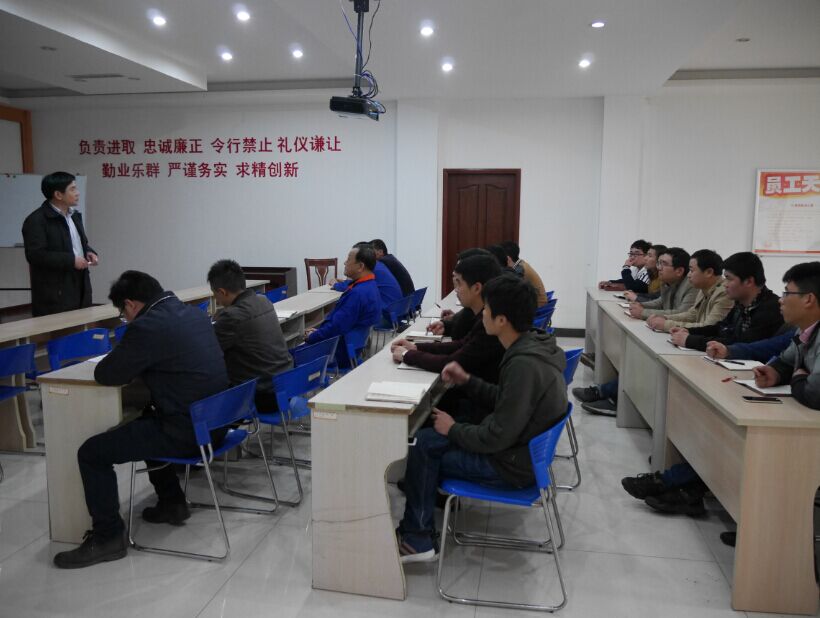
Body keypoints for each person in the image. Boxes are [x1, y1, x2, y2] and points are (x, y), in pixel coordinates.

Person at [53, 271, 229, 569]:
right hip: (216, 423)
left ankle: (108, 537)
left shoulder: (147, 326)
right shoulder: (192, 313)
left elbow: (107, 373)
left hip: (188, 433)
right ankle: (172, 503)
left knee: (91, 453)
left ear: (131, 304)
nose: (125, 319)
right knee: (148, 418)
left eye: (123, 314)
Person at [395, 275, 568, 562]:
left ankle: (417, 538)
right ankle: (421, 523)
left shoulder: (523, 364)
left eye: (486, 309)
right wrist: (468, 381)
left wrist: (453, 429)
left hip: (510, 466)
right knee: (429, 436)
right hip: (519, 452)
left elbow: (496, 436)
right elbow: (506, 399)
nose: (482, 314)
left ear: (501, 320)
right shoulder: (533, 345)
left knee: (423, 447)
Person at [391, 254, 504, 384]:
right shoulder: (483, 317)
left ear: (477, 288)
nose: (456, 290)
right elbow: (461, 345)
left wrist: (407, 355)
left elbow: (452, 362)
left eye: (459, 283)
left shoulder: (491, 323)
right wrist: (415, 347)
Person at [208, 259, 293, 412]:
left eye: (215, 295)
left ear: (222, 292)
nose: (217, 301)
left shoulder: (231, 316)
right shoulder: (264, 300)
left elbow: (211, 351)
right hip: (288, 385)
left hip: (263, 395)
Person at [668, 252, 782, 351]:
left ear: (748, 281)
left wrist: (690, 340)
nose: (725, 284)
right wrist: (688, 331)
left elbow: (740, 343)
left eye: (729, 279)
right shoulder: (741, 303)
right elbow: (720, 328)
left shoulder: (770, 308)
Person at [22, 171, 99, 316]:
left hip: (80, 284)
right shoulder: (36, 220)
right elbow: (35, 255)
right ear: (58, 195)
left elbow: (78, 243)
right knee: (61, 329)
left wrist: (88, 251)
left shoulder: (74, 215)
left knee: (81, 324)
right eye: (72, 189)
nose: (77, 193)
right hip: (55, 292)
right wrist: (71, 260)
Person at [752, 261, 820, 409]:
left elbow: (815, 394)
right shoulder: (804, 329)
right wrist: (775, 373)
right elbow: (786, 361)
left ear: (808, 299)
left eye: (787, 293)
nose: (780, 300)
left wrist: (798, 378)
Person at [305, 245, 381, 362]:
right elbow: (338, 325)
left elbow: (336, 327)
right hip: (350, 348)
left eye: (348, 259)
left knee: (286, 358)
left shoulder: (357, 294)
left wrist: (312, 336)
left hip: (336, 352)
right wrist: (320, 332)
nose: (345, 263)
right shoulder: (371, 286)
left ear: (360, 266)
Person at [645, 249, 733, 333]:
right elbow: (692, 314)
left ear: (709, 272)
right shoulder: (703, 288)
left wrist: (666, 324)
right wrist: (665, 318)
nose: (688, 275)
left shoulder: (724, 293)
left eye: (691, 270)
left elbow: (709, 327)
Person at [427, 248, 492, 340]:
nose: (456, 290)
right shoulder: (478, 307)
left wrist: (413, 348)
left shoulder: (487, 317)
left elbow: (461, 342)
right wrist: (448, 324)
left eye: (459, 280)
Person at [626, 247, 697, 320]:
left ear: (679, 271)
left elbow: (682, 313)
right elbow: (661, 302)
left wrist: (643, 312)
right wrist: (641, 305)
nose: (659, 268)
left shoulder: (692, 285)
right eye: (659, 263)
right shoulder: (667, 282)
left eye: (664, 264)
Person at [333, 242, 402, 309]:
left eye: (349, 259)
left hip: (386, 311)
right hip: (395, 308)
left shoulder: (373, 269)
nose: (345, 263)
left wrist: (335, 284)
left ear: (361, 264)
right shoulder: (377, 265)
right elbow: (358, 283)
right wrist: (344, 282)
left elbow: (356, 286)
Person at [499, 240, 549, 307]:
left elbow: (512, 292)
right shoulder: (520, 264)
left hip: (536, 306)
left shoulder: (519, 270)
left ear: (507, 258)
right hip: (535, 303)